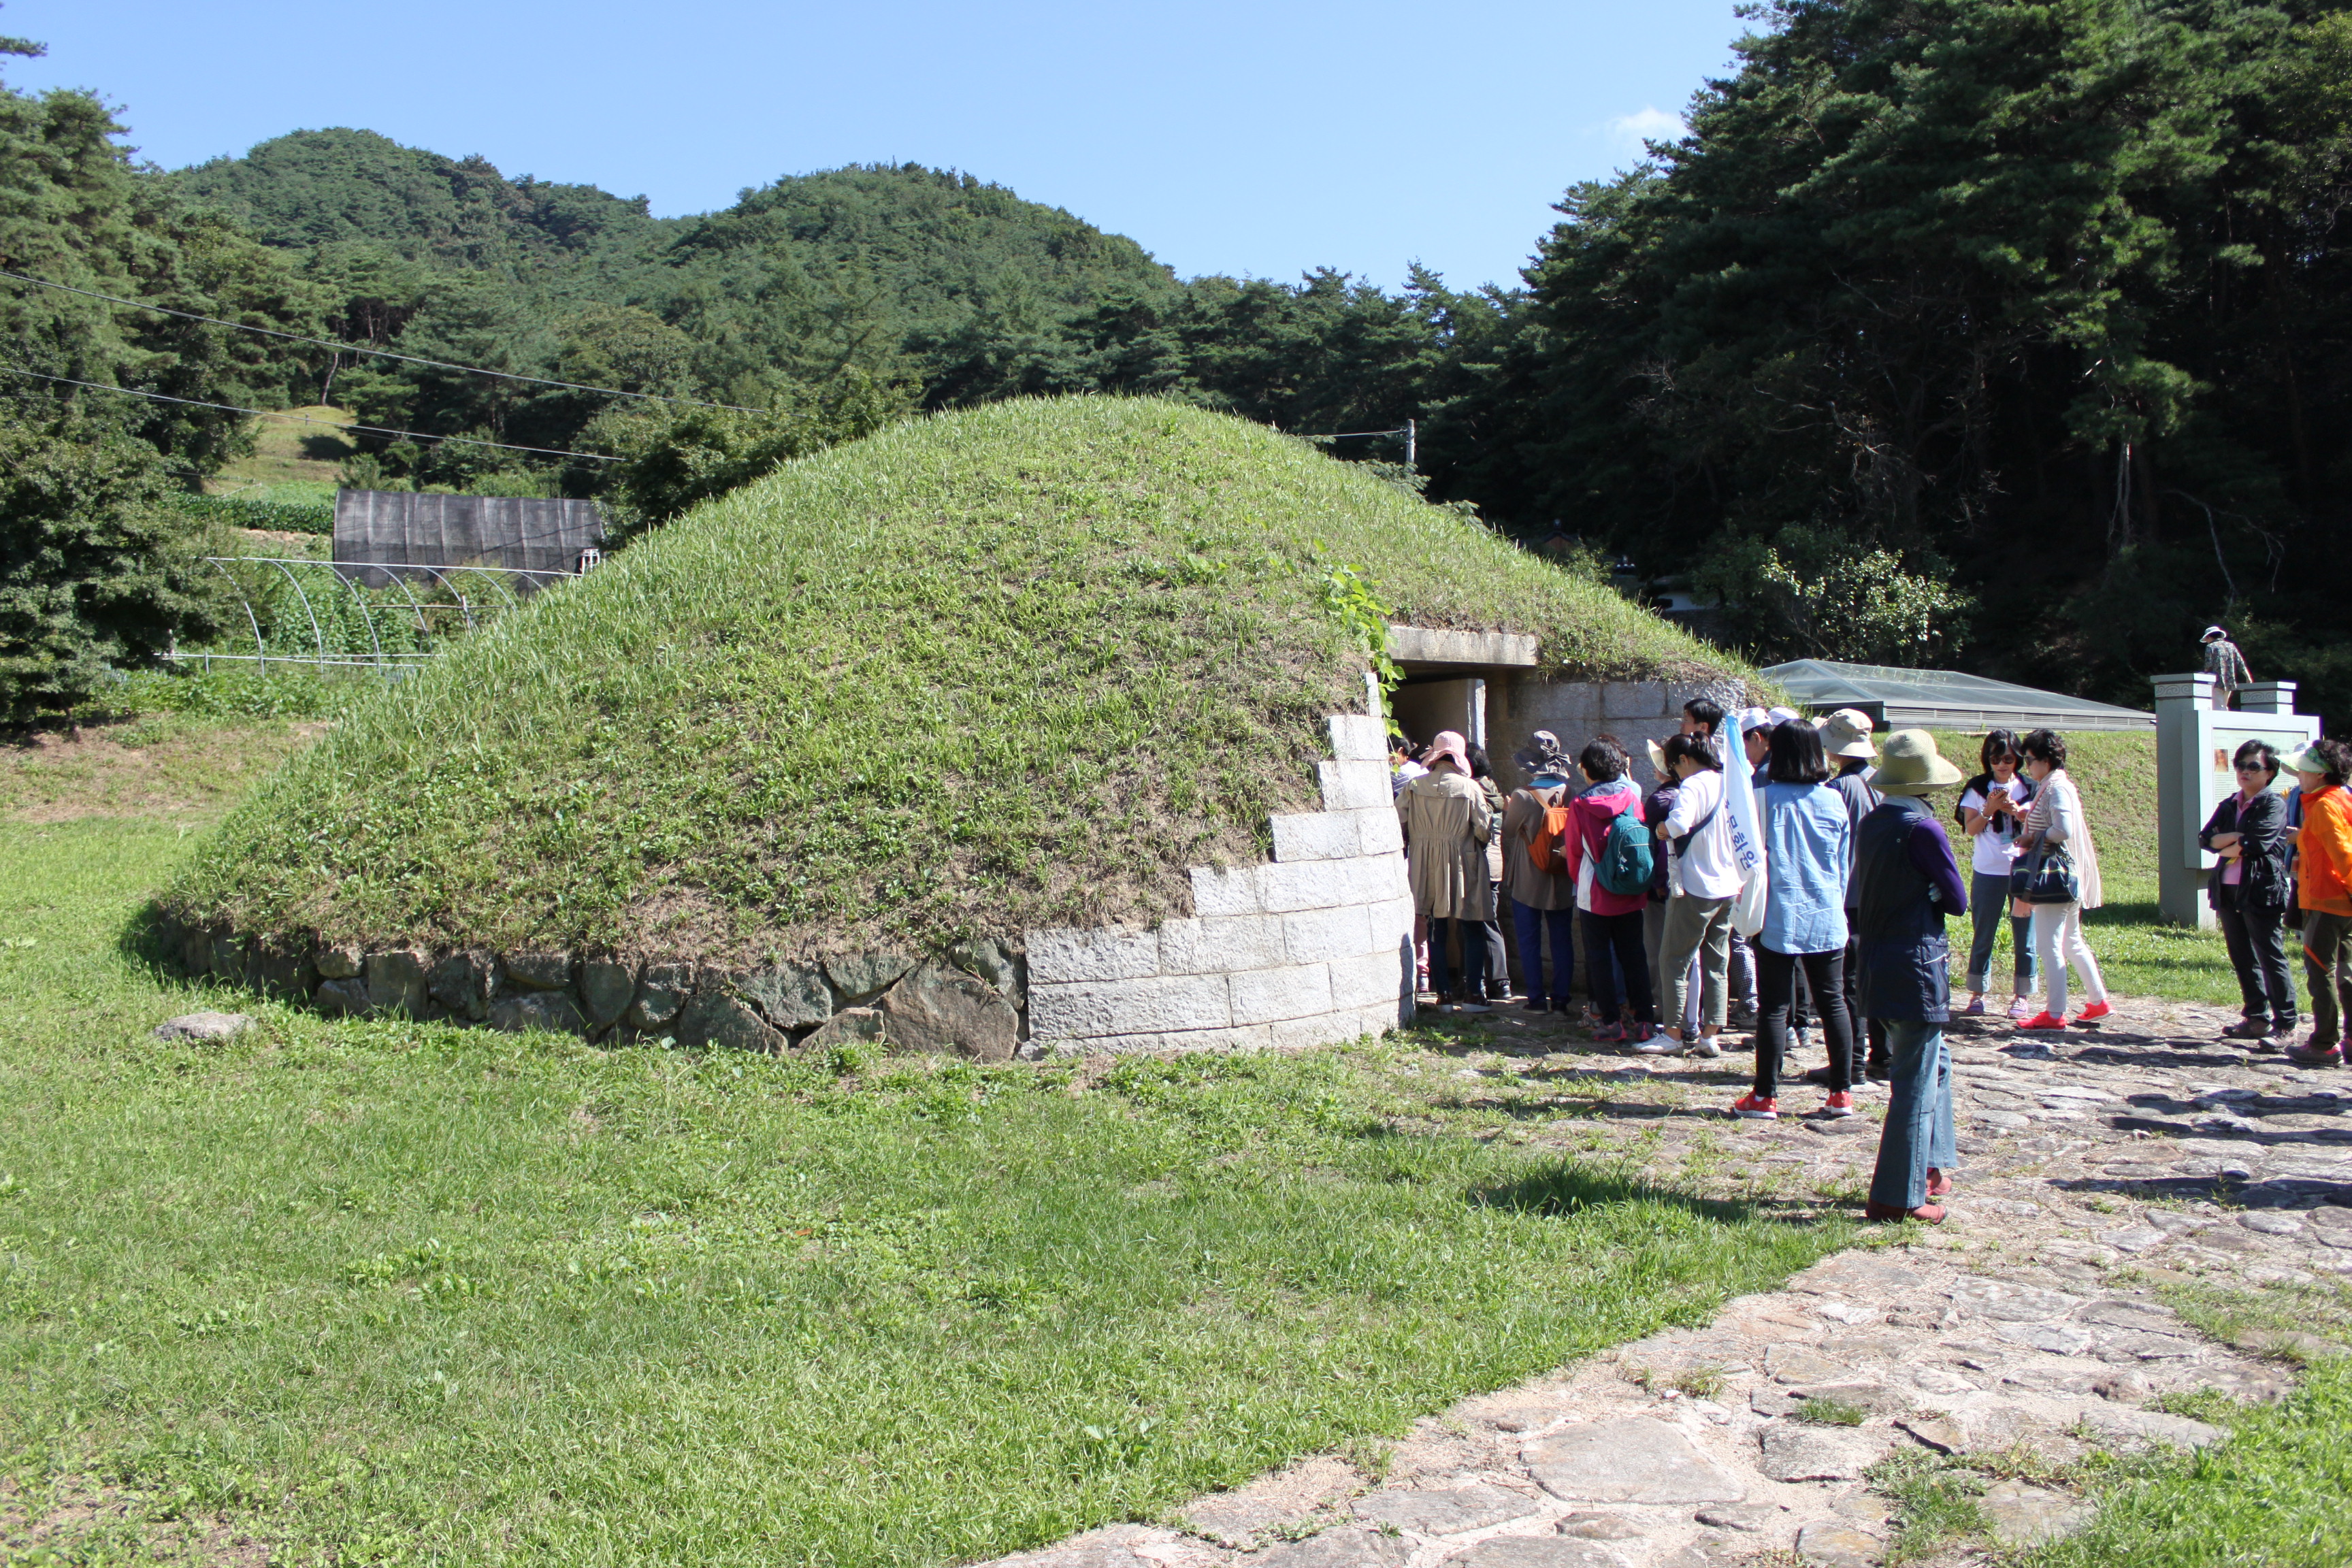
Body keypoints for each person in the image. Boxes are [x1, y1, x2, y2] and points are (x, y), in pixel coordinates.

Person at [1854, 730, 1970, 1223]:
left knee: (1934, 1064)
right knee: (1915, 1084)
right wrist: (1930, 892)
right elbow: (1958, 900)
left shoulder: (1873, 823)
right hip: (1917, 965)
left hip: (1876, 960)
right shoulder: (1924, 829)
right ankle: (1897, 1197)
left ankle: (1931, 1164)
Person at [1730, 721, 1858, 1120]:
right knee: (1833, 1001)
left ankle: (1765, 1096)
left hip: (1777, 914)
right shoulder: (1834, 799)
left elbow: (1745, 860)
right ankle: (1841, 1093)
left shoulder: (1762, 799)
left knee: (1774, 1006)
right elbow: (1844, 863)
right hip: (1827, 912)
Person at [1640, 732, 1740, 1058]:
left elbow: (1679, 824)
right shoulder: (1728, 781)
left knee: (1674, 959)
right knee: (1717, 962)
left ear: (1684, 760)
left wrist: (1661, 830)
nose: (1675, 773)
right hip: (1729, 885)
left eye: (1674, 766)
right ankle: (1710, 1036)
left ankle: (1672, 1033)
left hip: (1696, 885)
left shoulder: (1693, 784)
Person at [2012, 730, 2110, 1030]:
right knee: (2071, 941)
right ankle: (2098, 1001)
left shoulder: (2056, 787)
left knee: (2049, 945)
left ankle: (2055, 1013)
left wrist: (2032, 837)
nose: (2027, 766)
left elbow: (2063, 829)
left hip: (2054, 876)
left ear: (2046, 760)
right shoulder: (2053, 785)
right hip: (2065, 876)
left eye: (2029, 760)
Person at [2202, 740, 2297, 1046]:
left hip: (2261, 888)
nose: (2244, 771)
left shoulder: (2273, 804)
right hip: (2227, 888)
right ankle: (2256, 1018)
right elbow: (2205, 839)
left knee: (2270, 956)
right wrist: (2236, 839)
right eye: (2240, 765)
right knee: (2242, 955)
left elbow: (2258, 843)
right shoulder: (2230, 803)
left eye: (2253, 766)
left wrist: (2227, 843)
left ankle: (2285, 1023)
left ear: (2269, 773)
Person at [1812, 710, 1887, 1082]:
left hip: (1850, 894)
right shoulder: (1883, 781)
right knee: (1880, 974)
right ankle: (1884, 1055)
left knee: (1850, 982)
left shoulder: (1838, 789)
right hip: (1883, 893)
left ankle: (1852, 1061)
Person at [1398, 730, 1496, 1011]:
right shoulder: (1470, 788)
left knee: (1436, 926)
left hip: (1425, 862)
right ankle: (1474, 994)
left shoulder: (1414, 786)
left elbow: (1398, 819)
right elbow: (1483, 830)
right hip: (1463, 861)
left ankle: (1443, 995)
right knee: (1472, 924)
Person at [1569, 736, 1658, 1042]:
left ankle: (1610, 1021)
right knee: (1634, 954)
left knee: (1599, 957)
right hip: (1631, 888)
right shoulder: (1632, 796)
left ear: (1588, 769)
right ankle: (1644, 1020)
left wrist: (1582, 880)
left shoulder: (1580, 804)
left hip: (1594, 890)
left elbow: (1574, 851)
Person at [1957, 730, 2040, 1018]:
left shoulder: (2031, 787)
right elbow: (1970, 829)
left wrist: (2017, 812)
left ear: (2017, 759)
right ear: (1987, 759)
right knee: (1984, 933)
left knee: (2025, 935)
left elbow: (2040, 827)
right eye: (1995, 759)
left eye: (2008, 759)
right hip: (1987, 870)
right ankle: (1977, 993)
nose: (2002, 765)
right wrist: (1989, 809)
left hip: (2022, 869)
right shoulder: (1977, 787)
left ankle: (2022, 995)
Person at [2283, 737, 2352, 1066]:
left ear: (2320, 774)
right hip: (2339, 900)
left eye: (2303, 770)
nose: (2298, 775)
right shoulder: (2341, 797)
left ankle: (2324, 1043)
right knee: (2346, 971)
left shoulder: (2323, 805)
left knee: (2320, 971)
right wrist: (2302, 837)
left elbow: (2344, 854)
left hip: (2326, 901)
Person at [1501, 751, 1576, 1014]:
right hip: (1562, 874)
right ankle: (1561, 1001)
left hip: (1528, 875)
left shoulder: (1522, 795)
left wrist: (1508, 809)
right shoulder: (1570, 792)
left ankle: (1536, 1000)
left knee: (1529, 939)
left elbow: (1509, 831)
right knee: (1562, 940)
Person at [1642, 740, 1701, 1041]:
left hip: (1664, 887)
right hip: (1696, 884)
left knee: (1663, 954)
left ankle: (1669, 1015)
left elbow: (1660, 846)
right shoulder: (1696, 793)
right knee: (1697, 957)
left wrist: (1660, 882)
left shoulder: (1660, 800)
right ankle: (1695, 1019)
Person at [1465, 742, 1513, 1001]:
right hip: (1495, 864)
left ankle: (1479, 980)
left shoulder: (1472, 790)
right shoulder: (1492, 788)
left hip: (1477, 863)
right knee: (1489, 921)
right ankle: (1501, 982)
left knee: (1472, 924)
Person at [2201, 626, 2253, 711]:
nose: (2206, 641)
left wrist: (2205, 677)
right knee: (2224, 706)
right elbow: (2240, 662)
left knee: (2217, 707)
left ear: (2209, 637)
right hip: (2230, 681)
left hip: (2216, 682)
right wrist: (2248, 677)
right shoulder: (2231, 646)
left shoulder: (2211, 647)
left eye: (2206, 639)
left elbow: (2208, 665)